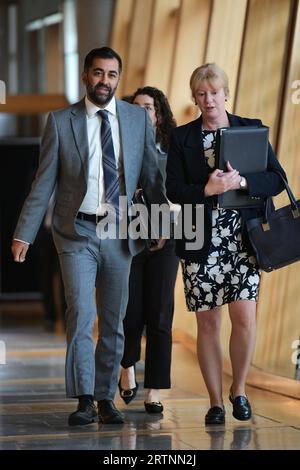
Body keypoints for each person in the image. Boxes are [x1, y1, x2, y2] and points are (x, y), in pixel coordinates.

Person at [11, 47, 166, 426]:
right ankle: (83, 399)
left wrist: (161, 224)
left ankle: (104, 397)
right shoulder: (61, 121)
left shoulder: (134, 120)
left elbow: (152, 177)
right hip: (75, 230)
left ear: (118, 78)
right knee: (81, 313)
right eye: (98, 73)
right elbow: (43, 182)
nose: (104, 81)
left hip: (119, 231)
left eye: (112, 74)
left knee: (114, 320)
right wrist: (24, 234)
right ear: (86, 76)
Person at [166, 63, 286, 425]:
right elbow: (172, 189)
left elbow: (277, 179)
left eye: (214, 92)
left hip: (243, 238)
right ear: (195, 98)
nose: (209, 100)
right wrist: (207, 189)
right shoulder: (183, 137)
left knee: (244, 317)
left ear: (226, 94)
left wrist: (242, 183)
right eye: (201, 94)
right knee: (208, 323)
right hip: (201, 238)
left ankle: (240, 390)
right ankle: (216, 402)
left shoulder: (251, 129)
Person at [119, 87, 179, 413]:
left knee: (160, 314)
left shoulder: (173, 148)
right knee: (131, 311)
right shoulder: (120, 146)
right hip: (129, 235)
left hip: (167, 237)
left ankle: (154, 389)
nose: (142, 113)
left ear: (159, 114)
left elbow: (177, 192)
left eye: (149, 107)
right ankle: (127, 365)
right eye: (136, 107)